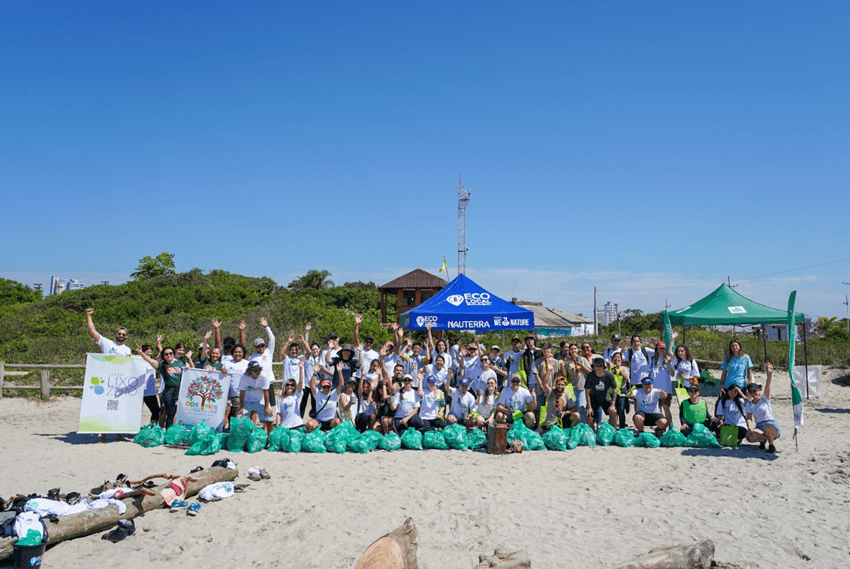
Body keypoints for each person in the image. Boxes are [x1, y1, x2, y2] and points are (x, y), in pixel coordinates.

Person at [86, 308, 133, 442]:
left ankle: (119, 434)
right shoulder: (106, 343)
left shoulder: (127, 349)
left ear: (126, 336)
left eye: (124, 334)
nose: (121, 336)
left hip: (120, 384)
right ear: (115, 334)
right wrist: (88, 316)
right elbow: (92, 330)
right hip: (106, 382)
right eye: (119, 333)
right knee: (105, 408)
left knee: (119, 408)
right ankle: (103, 436)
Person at [136, 343, 188, 429]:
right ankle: (168, 433)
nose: (169, 355)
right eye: (166, 354)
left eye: (170, 353)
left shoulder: (181, 364)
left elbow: (191, 373)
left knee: (177, 413)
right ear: (163, 355)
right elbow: (150, 361)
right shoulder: (161, 365)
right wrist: (141, 353)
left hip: (180, 391)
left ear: (173, 354)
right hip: (169, 391)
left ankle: (173, 432)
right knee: (170, 413)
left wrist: (187, 369)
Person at [744, 362, 780, 453]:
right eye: (751, 392)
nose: (754, 393)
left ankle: (771, 444)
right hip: (759, 425)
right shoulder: (749, 404)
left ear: (759, 391)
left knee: (767, 428)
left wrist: (770, 374)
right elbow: (749, 417)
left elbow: (768, 386)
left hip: (770, 423)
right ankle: (762, 440)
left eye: (755, 391)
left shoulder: (764, 399)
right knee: (749, 436)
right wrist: (749, 428)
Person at [238, 360, 275, 434]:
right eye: (255, 370)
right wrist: (241, 407)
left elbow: (266, 392)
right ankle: (242, 439)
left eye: (259, 369)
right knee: (239, 417)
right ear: (250, 371)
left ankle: (270, 439)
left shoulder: (263, 376)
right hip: (247, 400)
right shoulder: (244, 377)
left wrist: (267, 407)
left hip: (260, 400)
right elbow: (242, 392)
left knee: (269, 419)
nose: (258, 371)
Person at [306, 365, 344, 433]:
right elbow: (311, 385)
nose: (326, 389)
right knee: (309, 424)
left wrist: (339, 372)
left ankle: (333, 436)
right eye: (324, 387)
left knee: (337, 422)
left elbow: (341, 384)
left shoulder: (334, 394)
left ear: (331, 387)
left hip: (331, 421)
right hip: (319, 421)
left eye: (328, 387)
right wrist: (315, 373)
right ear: (322, 387)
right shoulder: (318, 394)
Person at [248, 317, 277, 407]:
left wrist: (266, 327)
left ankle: (269, 420)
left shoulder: (269, 351)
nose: (261, 348)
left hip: (269, 382)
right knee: (259, 403)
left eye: (262, 346)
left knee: (271, 404)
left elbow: (272, 338)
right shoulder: (251, 357)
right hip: (258, 384)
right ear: (255, 347)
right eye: (259, 346)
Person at [584, 357, 618, 430]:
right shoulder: (590, 376)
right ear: (594, 367)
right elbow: (587, 392)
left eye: (600, 366)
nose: (598, 368)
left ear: (603, 367)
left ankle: (613, 431)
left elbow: (615, 389)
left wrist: (612, 404)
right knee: (588, 415)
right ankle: (592, 432)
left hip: (605, 398)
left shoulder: (609, 375)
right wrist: (589, 407)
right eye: (596, 366)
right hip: (593, 399)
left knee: (614, 412)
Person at [560, 344, 590, 423]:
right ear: (569, 351)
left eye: (575, 349)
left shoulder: (583, 359)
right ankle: (575, 426)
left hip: (582, 388)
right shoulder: (567, 362)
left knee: (582, 408)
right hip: (572, 389)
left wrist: (582, 366)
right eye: (571, 349)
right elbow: (564, 377)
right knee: (573, 409)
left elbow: (590, 372)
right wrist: (562, 369)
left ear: (578, 350)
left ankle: (583, 426)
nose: (573, 350)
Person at [649, 341, 675, 430]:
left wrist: (667, 364)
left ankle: (671, 427)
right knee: (658, 409)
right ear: (657, 349)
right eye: (660, 348)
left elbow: (672, 374)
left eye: (663, 349)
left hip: (666, 389)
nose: (662, 350)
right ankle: (661, 427)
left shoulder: (669, 359)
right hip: (656, 389)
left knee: (666, 408)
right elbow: (649, 373)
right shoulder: (653, 359)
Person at [223, 342, 249, 431]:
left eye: (239, 352)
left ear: (243, 353)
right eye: (235, 352)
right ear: (232, 353)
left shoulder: (247, 364)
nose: (237, 354)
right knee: (226, 413)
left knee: (235, 414)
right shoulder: (226, 363)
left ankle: (232, 431)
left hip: (240, 394)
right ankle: (221, 431)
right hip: (227, 393)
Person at [533, 342, 558, 426]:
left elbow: (557, 375)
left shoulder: (555, 361)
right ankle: (540, 426)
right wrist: (542, 386)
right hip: (541, 390)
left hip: (551, 388)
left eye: (547, 348)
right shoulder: (538, 361)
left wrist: (554, 385)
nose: (545, 350)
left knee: (552, 408)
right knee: (541, 408)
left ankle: (550, 425)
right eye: (543, 349)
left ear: (550, 349)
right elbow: (536, 375)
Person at [277, 359, 305, 430]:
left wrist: (301, 369)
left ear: (294, 386)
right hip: (285, 426)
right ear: (285, 386)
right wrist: (277, 427)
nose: (290, 386)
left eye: (292, 385)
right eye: (288, 385)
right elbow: (278, 414)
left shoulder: (296, 395)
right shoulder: (280, 398)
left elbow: (301, 382)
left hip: (297, 425)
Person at [139, 343, 161, 425]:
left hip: (150, 392)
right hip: (139, 391)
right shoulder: (137, 361)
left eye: (150, 352)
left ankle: (153, 427)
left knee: (156, 411)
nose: (149, 354)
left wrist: (158, 344)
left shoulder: (153, 362)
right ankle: (134, 429)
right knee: (136, 412)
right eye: (147, 352)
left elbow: (162, 354)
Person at [353, 314, 379, 379]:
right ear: (364, 343)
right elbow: (355, 337)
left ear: (372, 344)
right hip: (359, 376)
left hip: (371, 377)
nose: (368, 344)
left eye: (370, 342)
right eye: (367, 342)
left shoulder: (376, 354)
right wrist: (357, 324)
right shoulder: (359, 349)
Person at [610, 351, 631, 429]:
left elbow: (626, 378)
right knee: (612, 411)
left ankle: (622, 428)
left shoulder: (624, 368)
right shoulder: (610, 368)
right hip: (612, 392)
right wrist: (611, 368)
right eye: (615, 357)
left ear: (622, 360)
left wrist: (619, 369)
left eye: (619, 357)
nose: (617, 358)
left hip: (621, 392)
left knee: (621, 411)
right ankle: (612, 427)